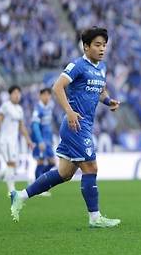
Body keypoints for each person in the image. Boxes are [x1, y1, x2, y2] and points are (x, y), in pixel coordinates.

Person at [9, 27, 122, 228]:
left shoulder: (100, 68)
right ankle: (95, 218)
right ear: (86, 47)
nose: (102, 49)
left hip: (83, 125)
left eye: (104, 45)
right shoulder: (78, 65)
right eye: (97, 45)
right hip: (75, 125)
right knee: (91, 167)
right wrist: (69, 111)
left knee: (64, 173)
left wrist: (109, 101)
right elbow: (57, 87)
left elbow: (100, 91)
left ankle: (20, 195)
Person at [0, 86, 34, 197]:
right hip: (4, 140)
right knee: (11, 164)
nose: (17, 95)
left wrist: (28, 140)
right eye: (15, 93)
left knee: (12, 166)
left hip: (14, 142)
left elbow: (22, 127)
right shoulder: (5, 106)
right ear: (10, 94)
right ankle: (11, 191)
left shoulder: (20, 109)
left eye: (18, 93)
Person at [31, 88, 56, 196]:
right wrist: (40, 141)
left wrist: (50, 140)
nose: (47, 97)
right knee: (40, 162)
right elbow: (35, 126)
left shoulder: (49, 108)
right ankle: (38, 187)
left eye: (48, 95)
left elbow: (48, 126)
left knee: (52, 162)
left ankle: (40, 182)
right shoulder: (38, 109)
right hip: (40, 141)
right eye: (44, 95)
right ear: (40, 96)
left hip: (48, 140)